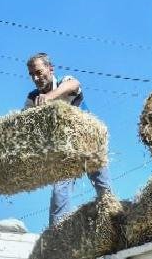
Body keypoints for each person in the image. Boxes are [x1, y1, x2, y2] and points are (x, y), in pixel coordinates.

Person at [24, 52, 111, 226]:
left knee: (103, 189)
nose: (36, 77)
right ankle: (57, 236)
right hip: (65, 152)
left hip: (89, 142)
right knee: (59, 194)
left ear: (50, 69)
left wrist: (49, 97)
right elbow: (23, 123)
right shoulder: (32, 98)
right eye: (32, 74)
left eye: (39, 72)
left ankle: (111, 219)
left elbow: (75, 84)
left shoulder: (65, 82)